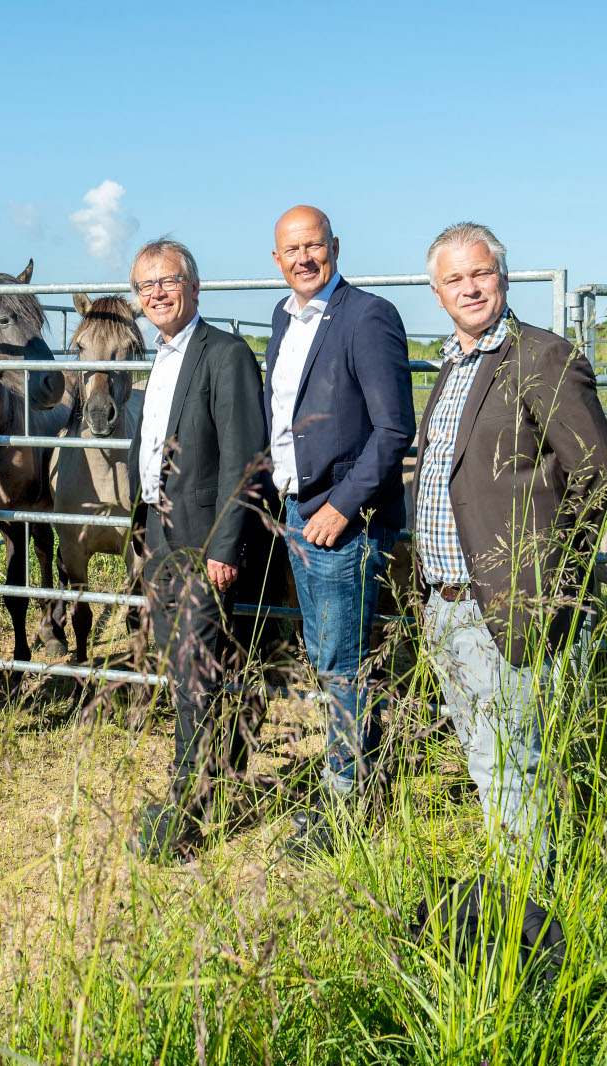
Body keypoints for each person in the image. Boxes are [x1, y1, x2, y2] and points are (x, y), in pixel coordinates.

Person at [413, 222, 607, 877]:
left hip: (508, 603)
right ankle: (530, 897)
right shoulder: (451, 363)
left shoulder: (541, 357)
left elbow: (598, 473)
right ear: (438, 292)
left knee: (513, 764)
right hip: (446, 602)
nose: (469, 288)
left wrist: (554, 576)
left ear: (503, 277)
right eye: (454, 279)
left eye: (481, 273)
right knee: (488, 759)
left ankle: (530, 923)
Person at [261, 206, 415, 856]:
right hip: (298, 512)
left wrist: (342, 507)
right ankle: (355, 775)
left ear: (335, 247)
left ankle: (345, 802)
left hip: (341, 521)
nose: (303, 258)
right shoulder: (282, 317)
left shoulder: (367, 316)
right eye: (291, 249)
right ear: (277, 259)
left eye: (313, 246)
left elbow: (393, 429)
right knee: (328, 658)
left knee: (343, 664)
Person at [125, 237, 268, 861]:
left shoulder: (225, 354)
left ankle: (187, 809)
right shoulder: (162, 357)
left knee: (195, 672)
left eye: (168, 280)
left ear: (194, 285)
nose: (157, 293)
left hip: (204, 541)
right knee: (182, 664)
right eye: (146, 285)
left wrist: (226, 545)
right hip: (161, 533)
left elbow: (245, 457)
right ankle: (208, 781)